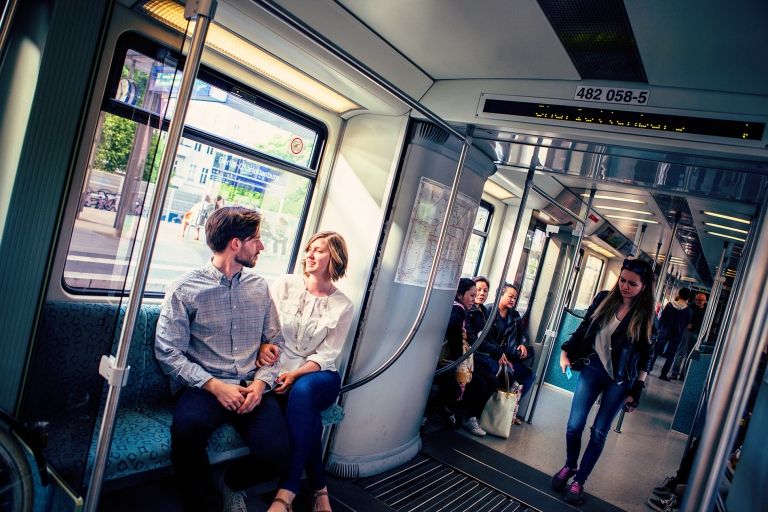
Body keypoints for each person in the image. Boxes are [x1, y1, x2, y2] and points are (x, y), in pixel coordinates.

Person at [155, 207, 290, 512]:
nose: (262, 246)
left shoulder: (259, 288)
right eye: (256, 239)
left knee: (277, 455)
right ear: (235, 244)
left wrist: (260, 385)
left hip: (251, 384)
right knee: (187, 433)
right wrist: (214, 385)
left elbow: (274, 342)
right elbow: (168, 351)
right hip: (206, 386)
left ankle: (233, 485)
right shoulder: (185, 289)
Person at [258, 231, 354, 512]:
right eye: (308, 249)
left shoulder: (343, 304)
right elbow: (267, 327)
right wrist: (266, 349)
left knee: (303, 390)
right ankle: (319, 489)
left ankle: (285, 494)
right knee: (307, 416)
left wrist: (295, 374)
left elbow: (327, 354)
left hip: (319, 374)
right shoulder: (284, 284)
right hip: (278, 367)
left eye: (319, 250)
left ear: (333, 257)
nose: (309, 255)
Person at [552, 259, 655, 505]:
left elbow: (647, 356)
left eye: (632, 283)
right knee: (574, 425)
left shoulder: (645, 315)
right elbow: (585, 326)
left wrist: (637, 390)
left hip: (620, 379)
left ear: (643, 286)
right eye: (622, 280)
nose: (625, 286)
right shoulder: (604, 299)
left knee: (598, 432)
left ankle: (579, 481)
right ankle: (570, 466)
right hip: (592, 369)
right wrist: (565, 350)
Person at [469, 278, 536, 425]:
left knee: (530, 376)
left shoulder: (515, 315)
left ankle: (510, 410)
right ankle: (491, 411)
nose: (513, 300)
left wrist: (523, 344)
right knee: (507, 375)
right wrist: (500, 354)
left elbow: (522, 334)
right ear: (501, 295)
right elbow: (486, 337)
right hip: (494, 354)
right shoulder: (488, 311)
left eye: (515, 297)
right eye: (510, 296)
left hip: (510, 355)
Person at [433, 278, 494, 436]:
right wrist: (456, 360)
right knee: (463, 387)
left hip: (448, 359)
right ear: (459, 295)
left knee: (482, 382)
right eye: (472, 295)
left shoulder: (467, 310)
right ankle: (430, 412)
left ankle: (449, 410)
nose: (474, 299)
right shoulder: (459, 309)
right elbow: (454, 332)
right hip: (443, 361)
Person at [652, 288, 693, 381]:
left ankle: (648, 369)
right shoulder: (688, 310)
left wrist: (658, 328)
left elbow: (662, 317)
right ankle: (663, 374)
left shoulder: (669, 305)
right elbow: (687, 323)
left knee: (656, 351)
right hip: (676, 335)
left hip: (664, 331)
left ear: (678, 294)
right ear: (688, 298)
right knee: (670, 356)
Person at [671, 292, 707, 380]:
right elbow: (680, 318)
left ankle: (683, 375)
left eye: (700, 300)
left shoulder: (707, 311)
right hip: (687, 332)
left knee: (691, 356)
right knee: (680, 353)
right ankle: (675, 373)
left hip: (698, 334)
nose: (698, 301)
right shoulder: (689, 307)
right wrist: (685, 324)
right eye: (697, 299)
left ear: (705, 301)